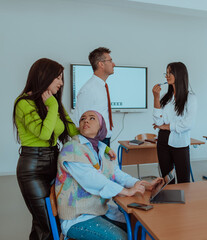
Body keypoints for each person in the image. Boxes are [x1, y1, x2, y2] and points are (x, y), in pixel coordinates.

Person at [56, 110, 163, 240]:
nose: (86, 121)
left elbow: (117, 173)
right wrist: (126, 191)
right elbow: (93, 180)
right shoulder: (72, 148)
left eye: (92, 118)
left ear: (101, 127)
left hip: (99, 211)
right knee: (123, 238)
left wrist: (139, 184)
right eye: (83, 119)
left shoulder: (102, 149)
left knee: (142, 227)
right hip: (78, 218)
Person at [13, 58, 79, 240]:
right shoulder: (24, 103)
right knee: (49, 223)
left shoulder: (54, 104)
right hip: (32, 169)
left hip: (54, 164)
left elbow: (74, 131)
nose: (61, 82)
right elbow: (43, 134)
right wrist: (53, 107)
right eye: (58, 78)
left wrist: (102, 146)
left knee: (43, 221)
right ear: (45, 76)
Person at [152, 62, 197, 183]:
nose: (167, 76)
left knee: (184, 180)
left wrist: (167, 127)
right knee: (167, 180)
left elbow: (188, 123)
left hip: (180, 142)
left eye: (170, 73)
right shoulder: (165, 98)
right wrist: (156, 98)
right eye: (166, 73)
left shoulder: (190, 98)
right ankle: (169, 201)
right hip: (163, 141)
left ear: (180, 74)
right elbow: (158, 121)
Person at [75, 47, 115, 147]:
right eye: (110, 61)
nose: (113, 64)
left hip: (104, 139)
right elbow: (79, 120)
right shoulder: (88, 89)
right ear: (101, 64)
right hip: (94, 141)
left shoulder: (102, 86)